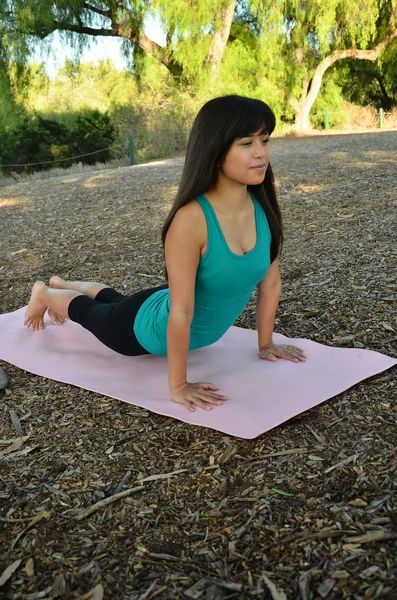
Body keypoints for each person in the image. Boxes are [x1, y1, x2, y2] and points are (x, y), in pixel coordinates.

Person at [24, 95, 306, 412]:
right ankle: (46, 292)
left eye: (264, 140)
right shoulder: (191, 220)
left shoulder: (262, 206)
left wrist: (265, 344)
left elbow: (269, 285)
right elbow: (182, 312)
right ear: (215, 151)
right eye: (246, 143)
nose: (261, 153)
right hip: (143, 331)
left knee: (115, 300)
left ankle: (64, 282)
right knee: (91, 314)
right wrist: (179, 386)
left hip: (163, 301)